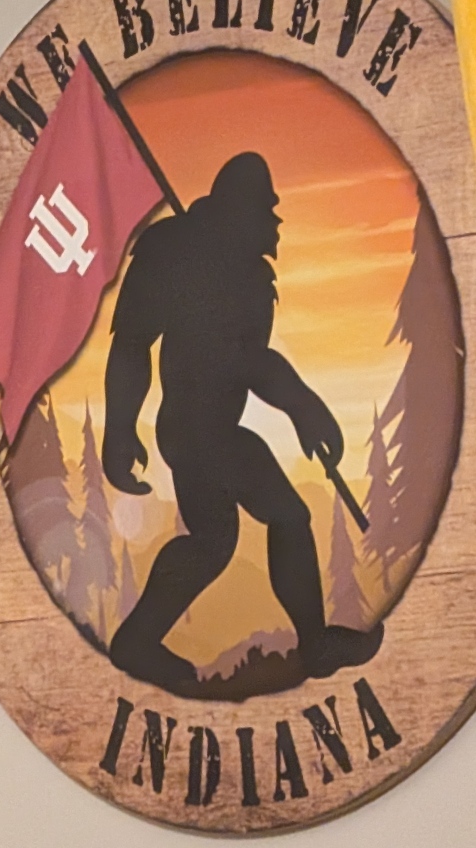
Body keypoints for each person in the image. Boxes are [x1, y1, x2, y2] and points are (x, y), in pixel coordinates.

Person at [103, 150, 383, 692]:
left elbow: (247, 362)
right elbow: (134, 344)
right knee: (273, 519)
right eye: (265, 210)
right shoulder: (177, 254)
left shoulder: (247, 275)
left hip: (217, 429)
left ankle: (140, 640)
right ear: (241, 213)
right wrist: (119, 429)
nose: (275, 223)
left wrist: (303, 408)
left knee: (220, 539)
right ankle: (312, 644)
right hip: (192, 428)